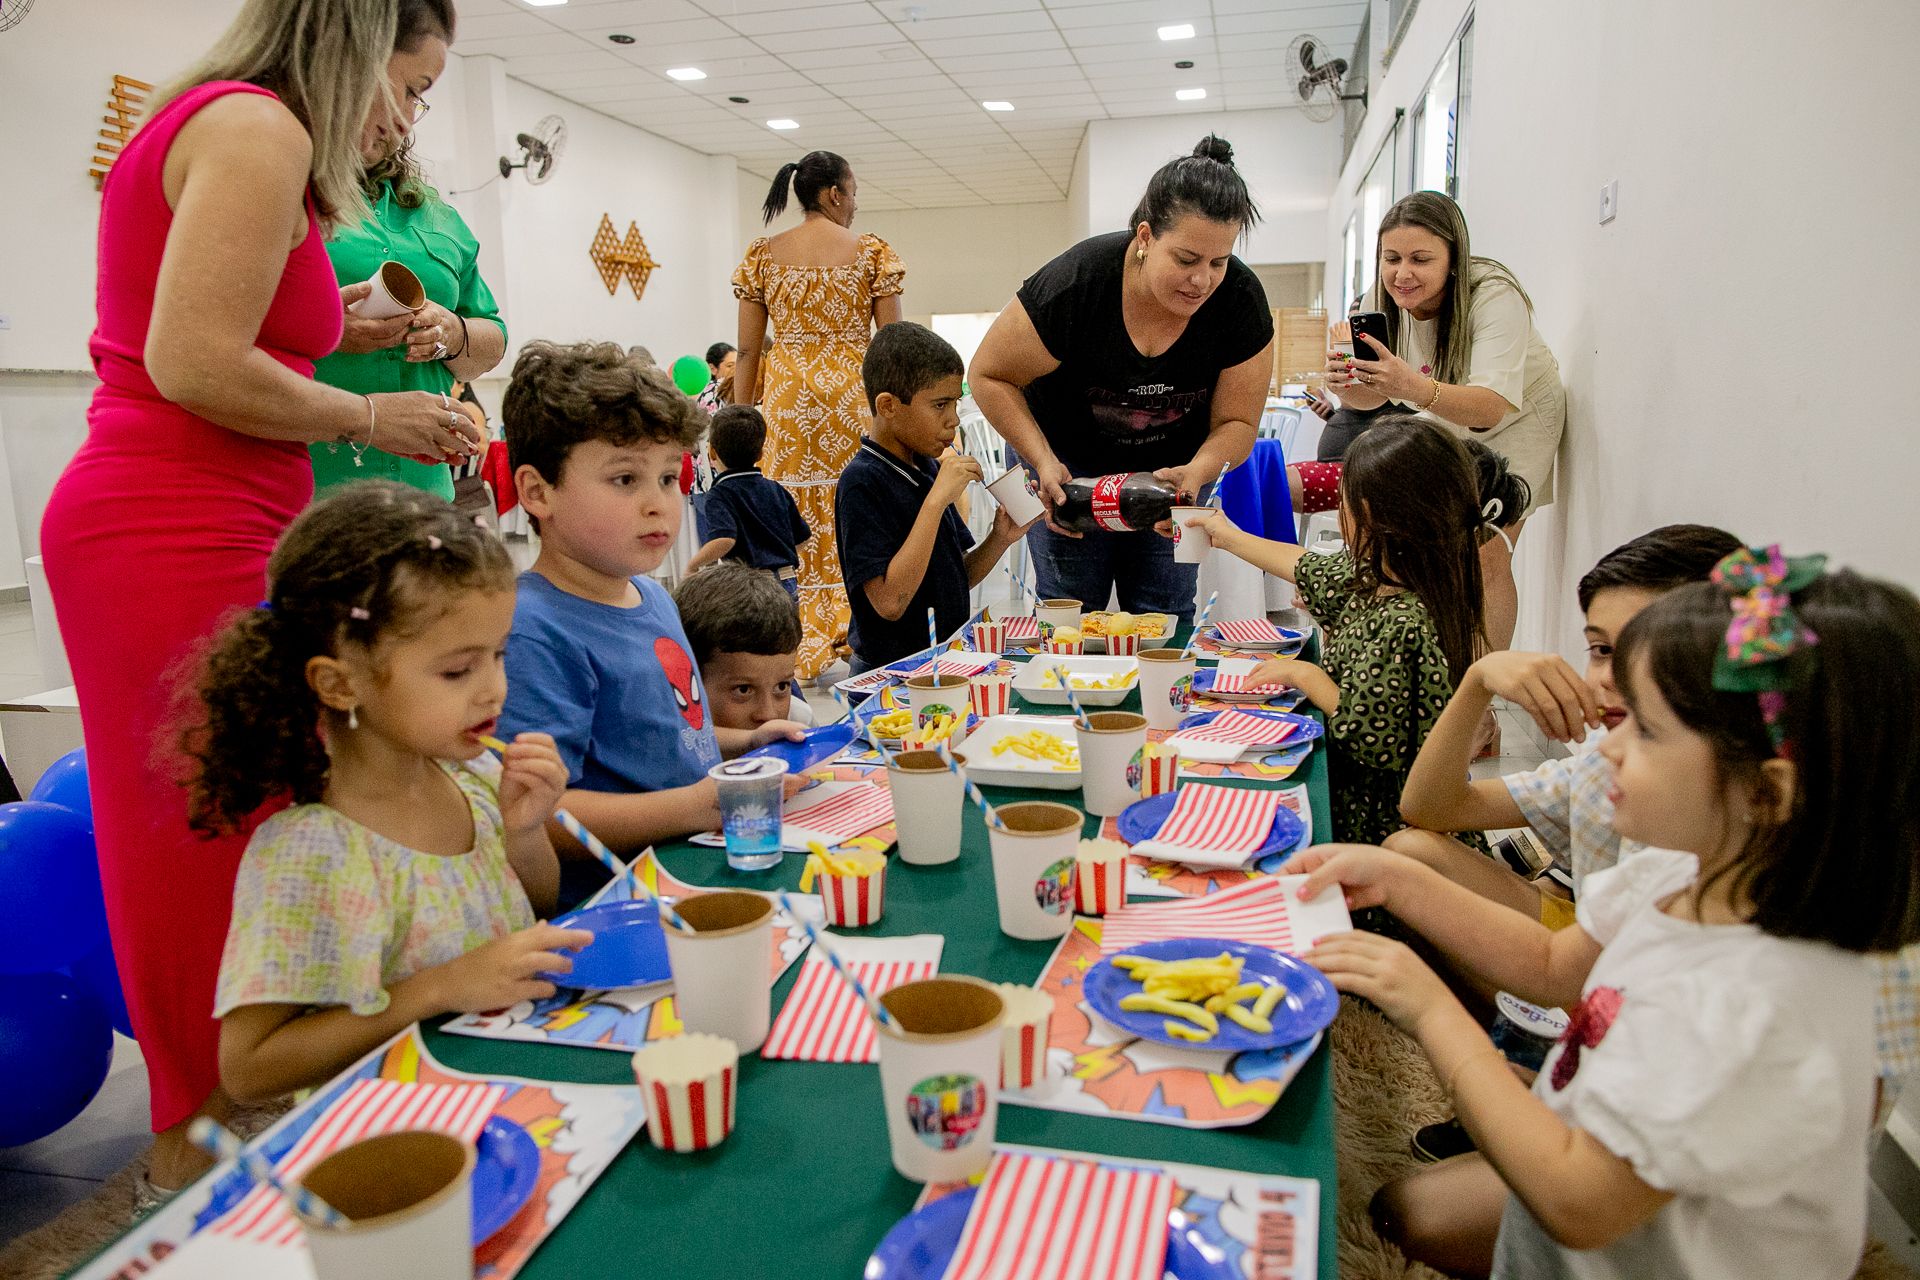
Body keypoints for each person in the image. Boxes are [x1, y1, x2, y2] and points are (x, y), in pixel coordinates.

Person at [37, 0, 484, 1201]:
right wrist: (370, 415)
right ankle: (200, 1139)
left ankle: (231, 1119)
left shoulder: (238, 132)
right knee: (209, 835)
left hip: (205, 509)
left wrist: (364, 337)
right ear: (354, 46)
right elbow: (189, 359)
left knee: (237, 819)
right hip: (165, 518)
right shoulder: (258, 129)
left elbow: (222, 332)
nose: (410, 116)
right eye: (413, 82)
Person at [1291, 552, 1920, 1279]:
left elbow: (1578, 1201)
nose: (1609, 747)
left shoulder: (1747, 1008)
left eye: (1646, 732)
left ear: (1768, 794)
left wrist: (1432, 1010)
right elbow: (1553, 963)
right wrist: (1397, 878)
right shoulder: (1683, 871)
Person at [180, 483, 588, 1100]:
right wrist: (439, 987)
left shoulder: (472, 779)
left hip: (505, 1098)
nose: (493, 689)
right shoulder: (310, 851)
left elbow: (537, 899)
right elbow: (249, 1070)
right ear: (341, 685)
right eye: (457, 669)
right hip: (400, 1138)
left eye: (499, 656)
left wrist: (525, 829)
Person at [498, 342, 804, 868]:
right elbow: (539, 814)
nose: (658, 502)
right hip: (622, 897)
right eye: (624, 479)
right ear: (537, 492)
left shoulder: (656, 598)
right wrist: (696, 806)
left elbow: (670, 740)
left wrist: (744, 741)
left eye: (667, 477)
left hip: (698, 860)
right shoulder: (530, 631)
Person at [969, 135, 1273, 622]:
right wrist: (1042, 462)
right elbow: (988, 376)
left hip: (1173, 476)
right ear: (1146, 237)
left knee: (1165, 614)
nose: (1203, 281)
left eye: (1219, 262)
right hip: (1067, 468)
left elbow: (1237, 422)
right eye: (1187, 259)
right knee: (1069, 613)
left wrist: (1202, 468)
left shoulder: (1239, 301)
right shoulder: (1078, 283)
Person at [1189, 415, 1526, 846]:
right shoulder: (1383, 578)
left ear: (1365, 513)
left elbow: (1372, 737)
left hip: (1383, 827)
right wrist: (1224, 534)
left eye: (1341, 500)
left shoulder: (1403, 620)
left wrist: (1305, 676)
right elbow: (1305, 565)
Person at [1392, 525, 1745, 932]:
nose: (1610, 678)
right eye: (1602, 650)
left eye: (1647, 651)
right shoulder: (1602, 755)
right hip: (1595, 946)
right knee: (1409, 853)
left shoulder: (1727, 799)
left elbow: (1565, 970)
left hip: (1618, 974)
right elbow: (1428, 807)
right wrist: (1475, 684)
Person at [1330, 191, 1566, 650]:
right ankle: (1428, 662)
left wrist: (1411, 388)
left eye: (1421, 259)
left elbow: (1490, 407)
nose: (1403, 273)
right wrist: (1345, 385)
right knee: (1417, 544)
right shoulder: (1381, 303)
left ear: (1454, 258)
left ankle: (1481, 696)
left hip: (1518, 417)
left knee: (1486, 556)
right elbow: (1367, 398)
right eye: (1391, 258)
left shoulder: (1494, 295)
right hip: (1444, 408)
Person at [310, 4, 506, 501]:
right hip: (310, 473)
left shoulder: (436, 215)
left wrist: (452, 332)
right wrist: (326, 329)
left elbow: (493, 334)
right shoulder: (292, 190)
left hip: (420, 482)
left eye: (419, 99)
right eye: (410, 89)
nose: (404, 118)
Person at [731, 150, 905, 681]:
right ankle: (855, 631)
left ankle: (796, 637)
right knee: (855, 507)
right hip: (852, 400)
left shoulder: (763, 256)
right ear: (834, 194)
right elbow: (892, 347)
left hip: (787, 406)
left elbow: (747, 353)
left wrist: (739, 420)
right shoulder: (870, 253)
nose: (854, 206)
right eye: (852, 194)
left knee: (792, 513)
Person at [837, 323, 1033, 673]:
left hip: (943, 661)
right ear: (889, 405)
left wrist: (1000, 538)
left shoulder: (925, 467)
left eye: (955, 403)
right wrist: (936, 501)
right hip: (890, 674)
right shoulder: (862, 481)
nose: (953, 420)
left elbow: (957, 577)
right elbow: (889, 602)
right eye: (940, 405)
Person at [683, 405, 810, 594]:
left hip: (749, 587)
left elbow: (724, 539)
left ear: (712, 453)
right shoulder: (775, 489)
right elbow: (803, 537)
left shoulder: (719, 494)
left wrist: (693, 565)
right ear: (760, 454)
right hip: (786, 580)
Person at [676, 561, 807, 733]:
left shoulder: (800, 720)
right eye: (743, 690)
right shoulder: (664, 748)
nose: (769, 714)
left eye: (782, 687)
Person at [697, 341, 736, 414]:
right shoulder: (715, 390)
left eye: (738, 365)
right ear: (713, 369)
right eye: (730, 366)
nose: (736, 370)